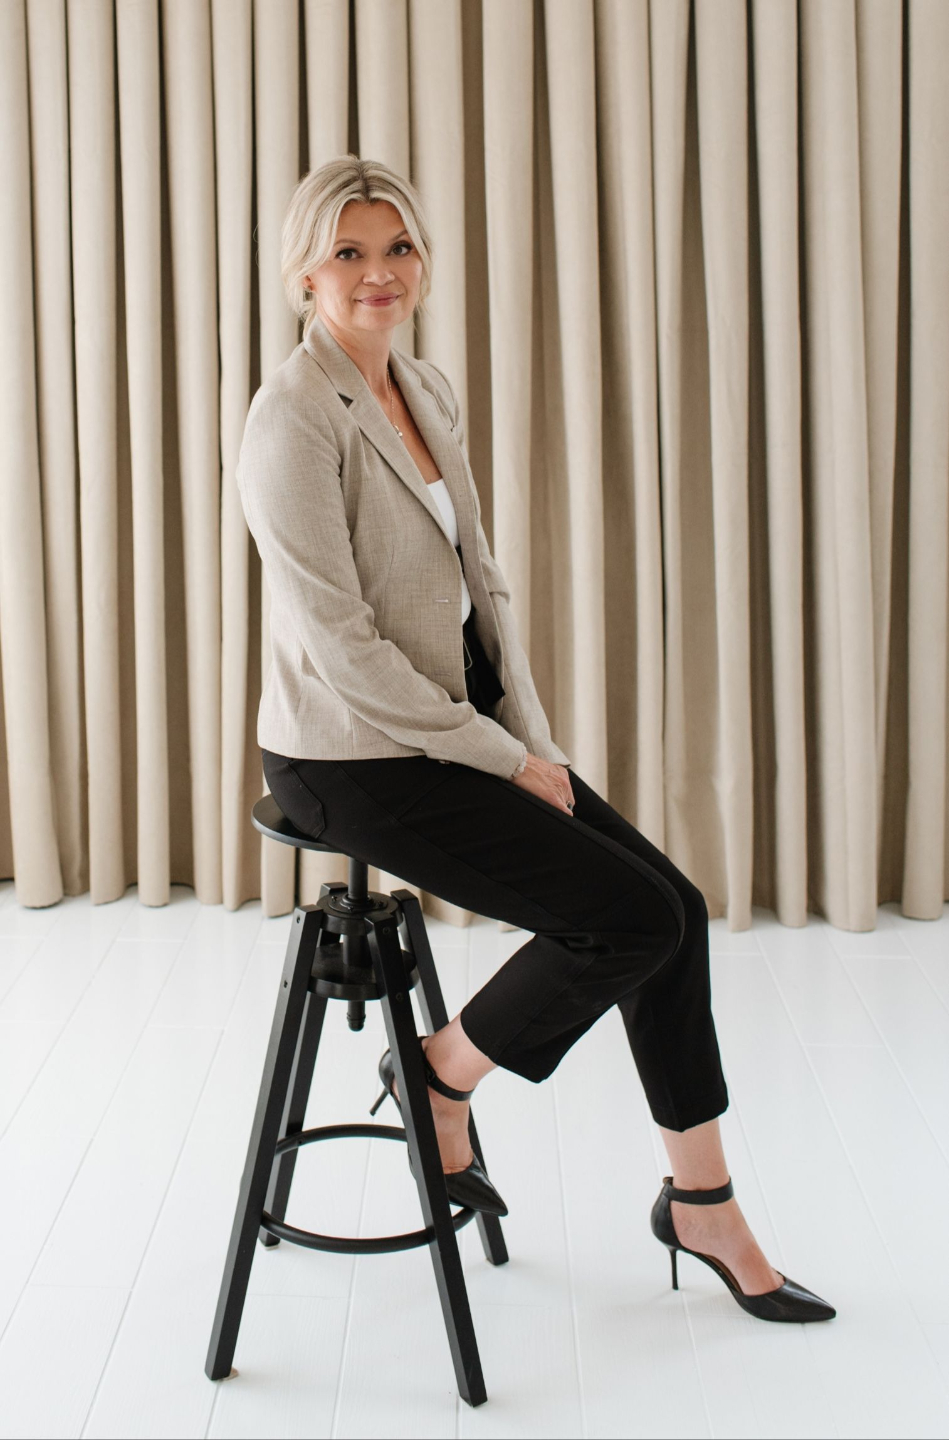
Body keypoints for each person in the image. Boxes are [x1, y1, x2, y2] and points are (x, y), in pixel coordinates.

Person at [239, 154, 835, 1323]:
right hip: (347, 754)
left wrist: (534, 743)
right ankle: (437, 1075)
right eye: (349, 253)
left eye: (398, 248)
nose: (378, 273)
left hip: (457, 724)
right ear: (305, 271)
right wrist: (498, 758)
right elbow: (344, 649)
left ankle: (701, 1200)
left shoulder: (425, 390)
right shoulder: (290, 418)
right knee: (629, 919)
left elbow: (483, 589)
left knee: (672, 909)